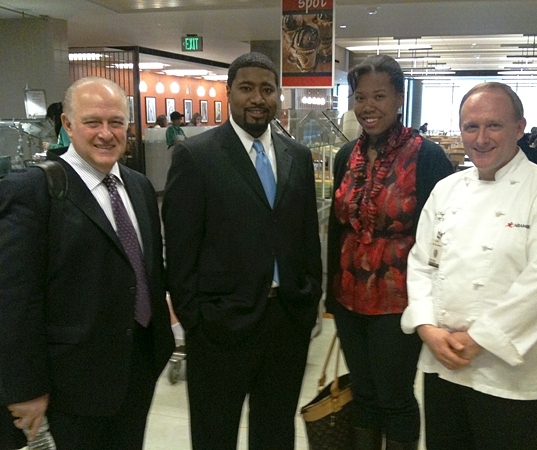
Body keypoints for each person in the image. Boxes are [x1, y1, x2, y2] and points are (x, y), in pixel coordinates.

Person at [401, 82, 537, 450]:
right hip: (442, 362)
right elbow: (421, 263)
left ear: (519, 128)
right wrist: (426, 327)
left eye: (494, 126)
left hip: (507, 374)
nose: (480, 138)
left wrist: (478, 340)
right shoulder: (447, 190)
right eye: (471, 127)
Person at [0, 76, 174, 450]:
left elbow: (143, 270)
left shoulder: (139, 187)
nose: (106, 134)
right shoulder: (33, 191)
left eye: (115, 123)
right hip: (70, 388)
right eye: (93, 122)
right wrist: (25, 388)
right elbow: (14, 299)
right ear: (67, 125)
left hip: (135, 372)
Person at [162, 52, 322, 450]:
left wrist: (307, 302)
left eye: (267, 90)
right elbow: (180, 250)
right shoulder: (195, 156)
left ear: (278, 96)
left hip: (286, 321)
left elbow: (306, 239)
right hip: (219, 328)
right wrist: (195, 319)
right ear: (228, 92)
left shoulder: (297, 157)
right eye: (247, 88)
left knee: (275, 432)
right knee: (215, 434)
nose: (257, 98)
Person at [326, 55, 453, 450]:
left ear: (399, 98)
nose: (368, 106)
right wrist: (330, 292)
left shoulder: (426, 156)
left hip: (399, 300)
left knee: (394, 397)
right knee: (362, 393)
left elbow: (443, 234)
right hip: (349, 297)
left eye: (379, 96)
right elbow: (336, 226)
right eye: (360, 97)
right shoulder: (348, 155)